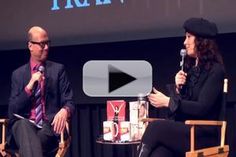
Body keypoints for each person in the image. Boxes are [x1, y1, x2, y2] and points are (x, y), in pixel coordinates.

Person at [137, 17, 225, 157]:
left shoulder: (216, 71)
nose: (185, 42)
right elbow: (177, 113)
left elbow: (202, 108)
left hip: (203, 135)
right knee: (159, 154)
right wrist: (178, 89)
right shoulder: (190, 71)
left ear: (202, 41)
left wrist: (168, 101)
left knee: (155, 127)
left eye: (189, 37)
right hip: (186, 131)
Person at [8, 26, 75, 157]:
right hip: (23, 127)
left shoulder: (57, 70)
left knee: (30, 144)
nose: (46, 47)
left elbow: (70, 101)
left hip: (49, 128)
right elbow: (12, 110)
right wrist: (29, 86)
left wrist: (64, 110)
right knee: (22, 124)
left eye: (47, 43)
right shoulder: (18, 74)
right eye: (42, 44)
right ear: (30, 46)